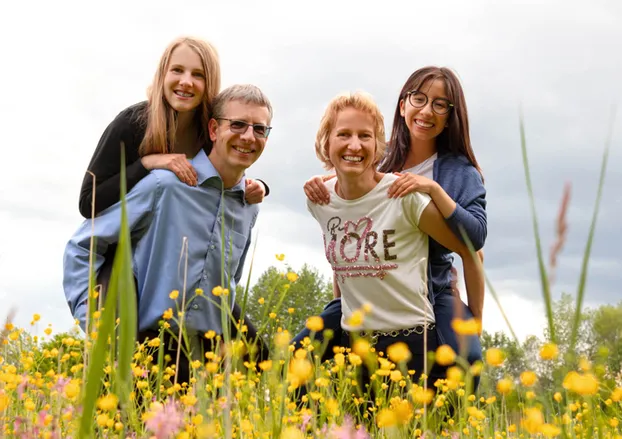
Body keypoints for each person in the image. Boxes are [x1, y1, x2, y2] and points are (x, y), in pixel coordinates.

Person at [63, 84, 274, 385]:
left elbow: (228, 285)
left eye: (260, 129)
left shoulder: (249, 207)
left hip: (207, 370)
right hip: (144, 357)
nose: (249, 137)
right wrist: (99, 328)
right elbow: (82, 246)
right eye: (237, 124)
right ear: (213, 129)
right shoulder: (165, 186)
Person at [298, 66, 486, 383]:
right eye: (419, 99)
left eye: (440, 104)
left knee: (466, 360)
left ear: (450, 115)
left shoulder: (458, 172)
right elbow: (351, 198)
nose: (427, 111)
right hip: (368, 289)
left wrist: (433, 190)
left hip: (432, 288)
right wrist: (323, 179)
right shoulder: (384, 162)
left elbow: (474, 242)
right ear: (403, 105)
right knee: (301, 350)